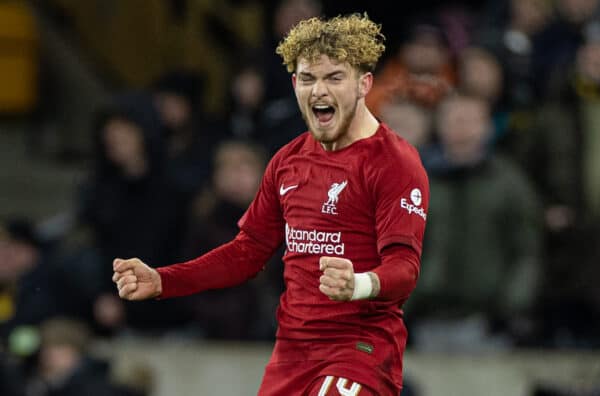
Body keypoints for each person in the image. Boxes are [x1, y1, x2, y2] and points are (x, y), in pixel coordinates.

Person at [112, 13, 429, 396]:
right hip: (292, 353)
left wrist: (359, 284)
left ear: (364, 84)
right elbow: (247, 253)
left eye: (334, 77)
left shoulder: (393, 161)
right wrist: (165, 280)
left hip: (358, 350)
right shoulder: (287, 162)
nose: (319, 91)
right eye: (308, 78)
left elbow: (404, 267)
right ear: (294, 84)